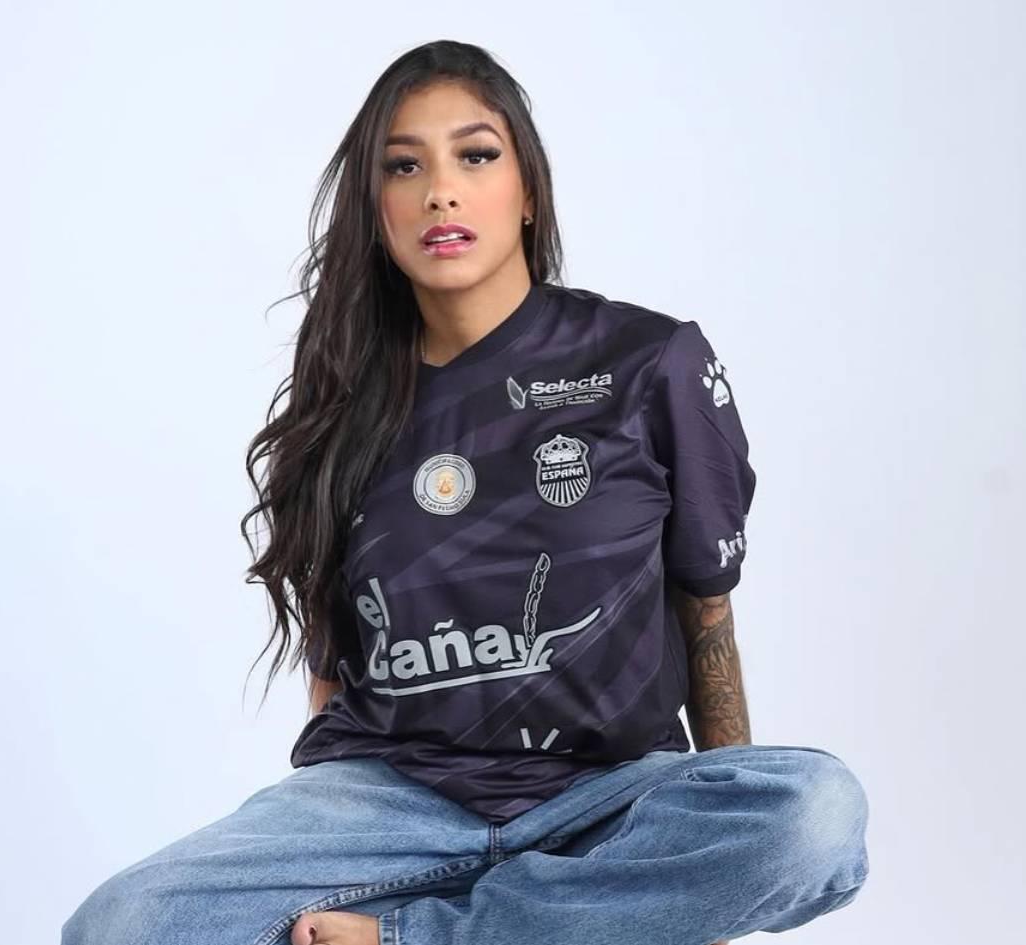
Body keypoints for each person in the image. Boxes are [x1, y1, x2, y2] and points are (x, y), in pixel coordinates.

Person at [61, 39, 869, 945]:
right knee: (121, 925)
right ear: (376, 210)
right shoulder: (339, 407)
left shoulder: (650, 362)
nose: (440, 191)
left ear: (528, 192)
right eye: (404, 166)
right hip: (392, 801)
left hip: (608, 795)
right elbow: (334, 666)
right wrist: (328, 846)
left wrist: (704, 890)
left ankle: (418, 935)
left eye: (475, 156)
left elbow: (705, 611)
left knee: (816, 812)